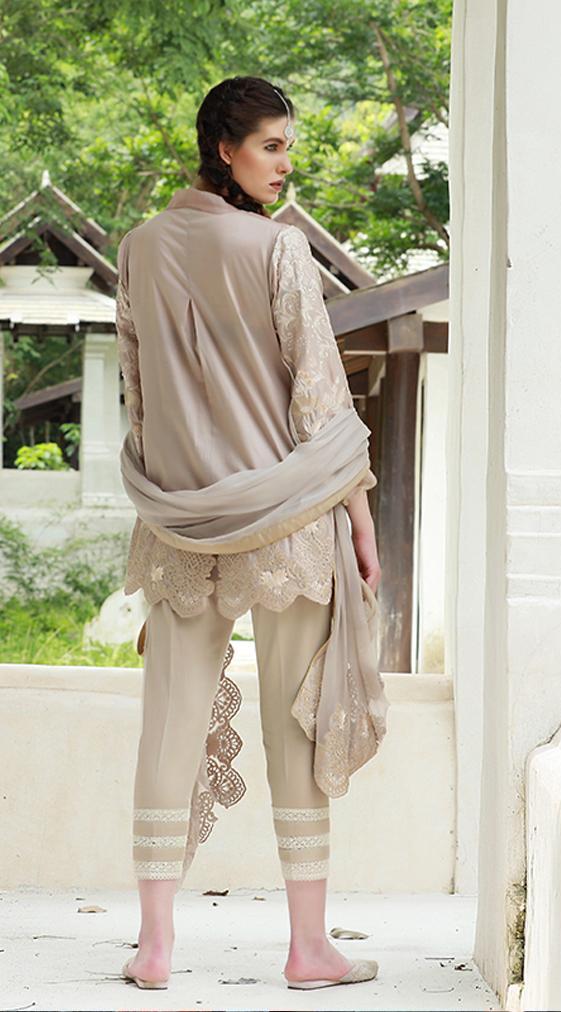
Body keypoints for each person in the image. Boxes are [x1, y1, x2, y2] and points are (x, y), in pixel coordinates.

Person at [115, 75, 385, 992]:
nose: (283, 163)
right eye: (271, 145)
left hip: (182, 523)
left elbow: (139, 401)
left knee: (167, 726)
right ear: (224, 148)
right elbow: (321, 399)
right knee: (293, 727)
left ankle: (155, 947)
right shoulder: (277, 248)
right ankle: (308, 950)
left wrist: (163, 510)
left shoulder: (138, 248)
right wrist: (360, 520)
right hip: (288, 519)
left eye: (286, 147)